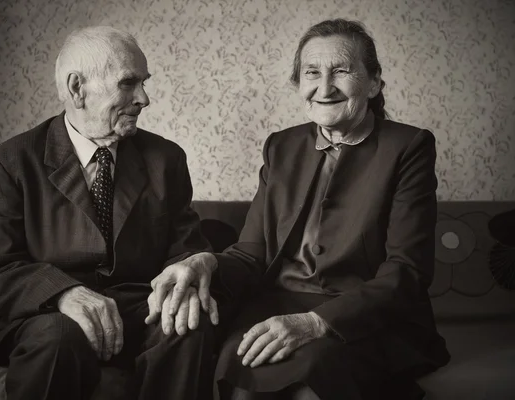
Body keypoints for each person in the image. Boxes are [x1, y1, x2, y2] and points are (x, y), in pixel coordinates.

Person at [149, 19, 450, 399]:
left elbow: (407, 271)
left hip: (363, 318)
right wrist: (205, 261)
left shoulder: (409, 147)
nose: (324, 88)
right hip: (275, 307)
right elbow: (249, 255)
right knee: (240, 388)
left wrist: (315, 322)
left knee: (308, 389)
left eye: (341, 71)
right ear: (298, 83)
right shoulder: (281, 146)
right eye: (312, 73)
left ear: (373, 82)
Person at [0, 26, 220, 400]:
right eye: (128, 83)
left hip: (140, 306)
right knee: (58, 339)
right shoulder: (11, 162)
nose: (144, 98)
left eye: (143, 83)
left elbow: (185, 246)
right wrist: (65, 293)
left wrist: (188, 271)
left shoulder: (166, 158)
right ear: (76, 88)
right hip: (48, 314)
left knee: (187, 325)